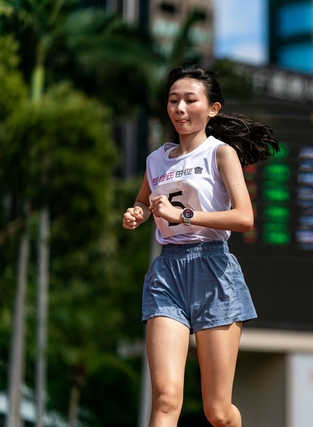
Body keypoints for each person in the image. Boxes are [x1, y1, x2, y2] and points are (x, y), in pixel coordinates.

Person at [122, 65, 278, 427]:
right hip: (168, 273)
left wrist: (185, 215)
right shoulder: (156, 159)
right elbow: (145, 202)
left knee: (218, 413)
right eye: (173, 100)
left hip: (214, 271)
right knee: (165, 398)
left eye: (190, 100)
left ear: (212, 109)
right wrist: (137, 213)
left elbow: (244, 218)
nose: (179, 108)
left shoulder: (221, 153)